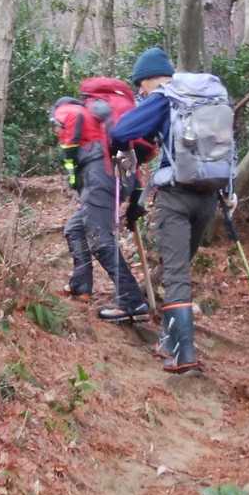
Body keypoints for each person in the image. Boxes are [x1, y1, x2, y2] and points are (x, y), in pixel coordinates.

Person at [106, 46, 234, 373]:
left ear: (150, 79)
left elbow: (120, 131)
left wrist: (121, 152)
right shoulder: (211, 97)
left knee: (177, 275)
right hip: (210, 195)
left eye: (140, 85)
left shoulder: (164, 98)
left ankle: (183, 354)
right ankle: (169, 338)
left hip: (176, 196)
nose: (140, 92)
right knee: (179, 267)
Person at [53, 93, 149, 323]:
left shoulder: (71, 111)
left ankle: (132, 300)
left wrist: (73, 176)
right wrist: (135, 202)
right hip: (116, 180)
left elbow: (68, 147)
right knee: (75, 228)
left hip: (99, 179)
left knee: (100, 239)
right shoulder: (106, 127)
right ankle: (80, 286)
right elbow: (132, 167)